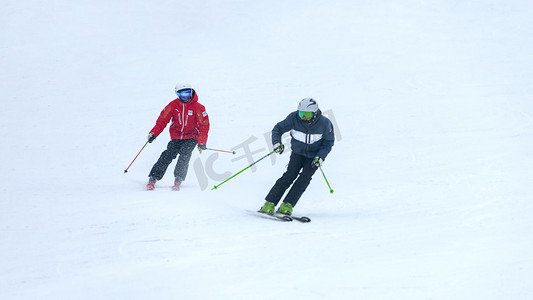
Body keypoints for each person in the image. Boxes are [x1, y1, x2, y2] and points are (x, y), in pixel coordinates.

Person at [260, 98, 334, 215]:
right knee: (289, 176)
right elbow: (277, 129)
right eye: (301, 113)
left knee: (304, 179)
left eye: (306, 114)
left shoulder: (325, 123)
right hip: (297, 153)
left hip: (314, 157)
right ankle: (269, 203)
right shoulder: (294, 118)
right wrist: (277, 143)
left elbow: (328, 143)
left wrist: (321, 156)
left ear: (314, 113)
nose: (302, 117)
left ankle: (287, 205)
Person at [146, 82, 210, 190]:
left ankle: (178, 178)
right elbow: (162, 121)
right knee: (167, 154)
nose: (186, 96)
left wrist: (202, 142)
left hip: (191, 137)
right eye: (183, 94)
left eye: (188, 93)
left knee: (185, 154)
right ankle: (153, 177)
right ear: (177, 94)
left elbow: (204, 125)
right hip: (176, 136)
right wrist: (153, 133)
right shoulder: (172, 106)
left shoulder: (198, 107)